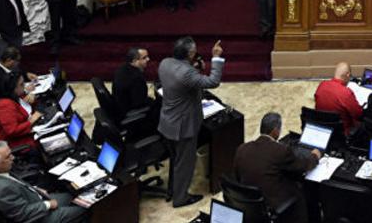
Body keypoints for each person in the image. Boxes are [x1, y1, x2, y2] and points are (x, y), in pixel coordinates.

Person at [157, 36, 224, 207]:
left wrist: (193, 68)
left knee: (176, 159)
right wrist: (216, 57)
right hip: (183, 127)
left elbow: (181, 77)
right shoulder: (187, 73)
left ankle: (173, 189)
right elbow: (213, 81)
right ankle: (180, 198)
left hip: (166, 122)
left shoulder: (165, 63)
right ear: (190, 53)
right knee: (185, 164)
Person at [232, 112, 320, 223]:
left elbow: (237, 177)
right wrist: (315, 157)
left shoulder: (242, 149)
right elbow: (302, 166)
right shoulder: (280, 151)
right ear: (275, 131)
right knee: (301, 189)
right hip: (273, 205)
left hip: (250, 204)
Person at [0, 141, 86, 223]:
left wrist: (35, 188)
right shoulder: (2, 188)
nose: (13, 158)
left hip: (33, 198)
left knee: (73, 196)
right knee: (85, 209)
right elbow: (22, 214)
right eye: (8, 157)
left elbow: (16, 184)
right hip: (39, 217)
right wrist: (48, 204)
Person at [0, 75, 42, 152]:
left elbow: (26, 108)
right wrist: (31, 121)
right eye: (21, 84)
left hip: (16, 136)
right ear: (12, 88)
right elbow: (12, 131)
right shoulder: (4, 105)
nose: (25, 86)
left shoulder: (13, 95)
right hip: (7, 144)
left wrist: (32, 98)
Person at [314, 62, 363, 134]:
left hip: (323, 127)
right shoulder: (346, 93)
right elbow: (358, 115)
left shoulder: (322, 85)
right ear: (348, 75)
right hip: (342, 133)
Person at [112, 47, 152, 122]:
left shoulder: (122, 68)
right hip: (128, 114)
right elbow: (139, 103)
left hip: (119, 106)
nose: (148, 59)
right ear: (135, 61)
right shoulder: (137, 78)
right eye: (144, 58)